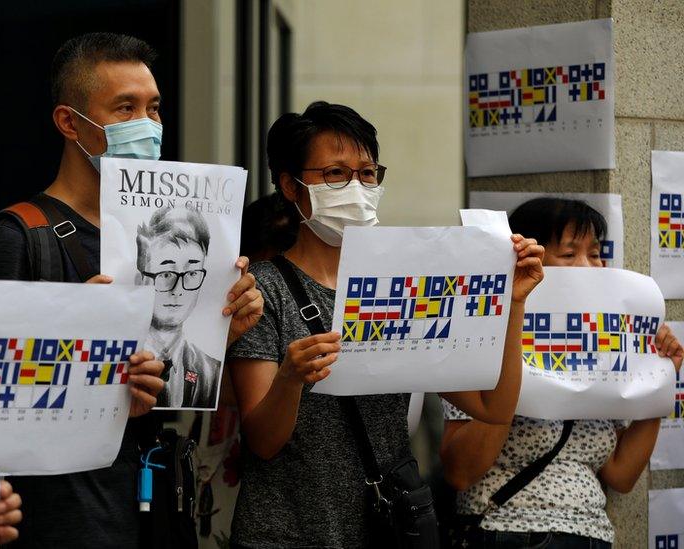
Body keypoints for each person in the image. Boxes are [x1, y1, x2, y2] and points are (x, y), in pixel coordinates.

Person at [0, 32, 262, 547]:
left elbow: (168, 389)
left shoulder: (164, 235)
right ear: (70, 122)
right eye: (125, 108)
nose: (147, 126)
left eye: (153, 109)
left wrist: (224, 325)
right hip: (62, 518)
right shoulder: (21, 236)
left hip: (152, 507)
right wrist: (78, 342)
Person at [226, 101, 545, 548]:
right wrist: (291, 379)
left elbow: (493, 406)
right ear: (290, 186)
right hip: (283, 533)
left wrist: (514, 305)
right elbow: (262, 442)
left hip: (385, 528)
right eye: (335, 174)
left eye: (368, 173)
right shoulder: (263, 289)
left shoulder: (405, 282)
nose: (356, 187)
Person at [440, 197, 684, 548]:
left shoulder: (605, 347)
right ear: (528, 261)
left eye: (596, 254)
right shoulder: (480, 340)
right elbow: (460, 472)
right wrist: (517, 357)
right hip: (506, 530)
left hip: (590, 534)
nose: (588, 266)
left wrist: (659, 380)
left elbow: (620, 474)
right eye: (569, 255)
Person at [136, 207, 220, 409]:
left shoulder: (211, 370)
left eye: (191, 273)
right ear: (142, 277)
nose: (178, 289)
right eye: (166, 274)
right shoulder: (115, 363)